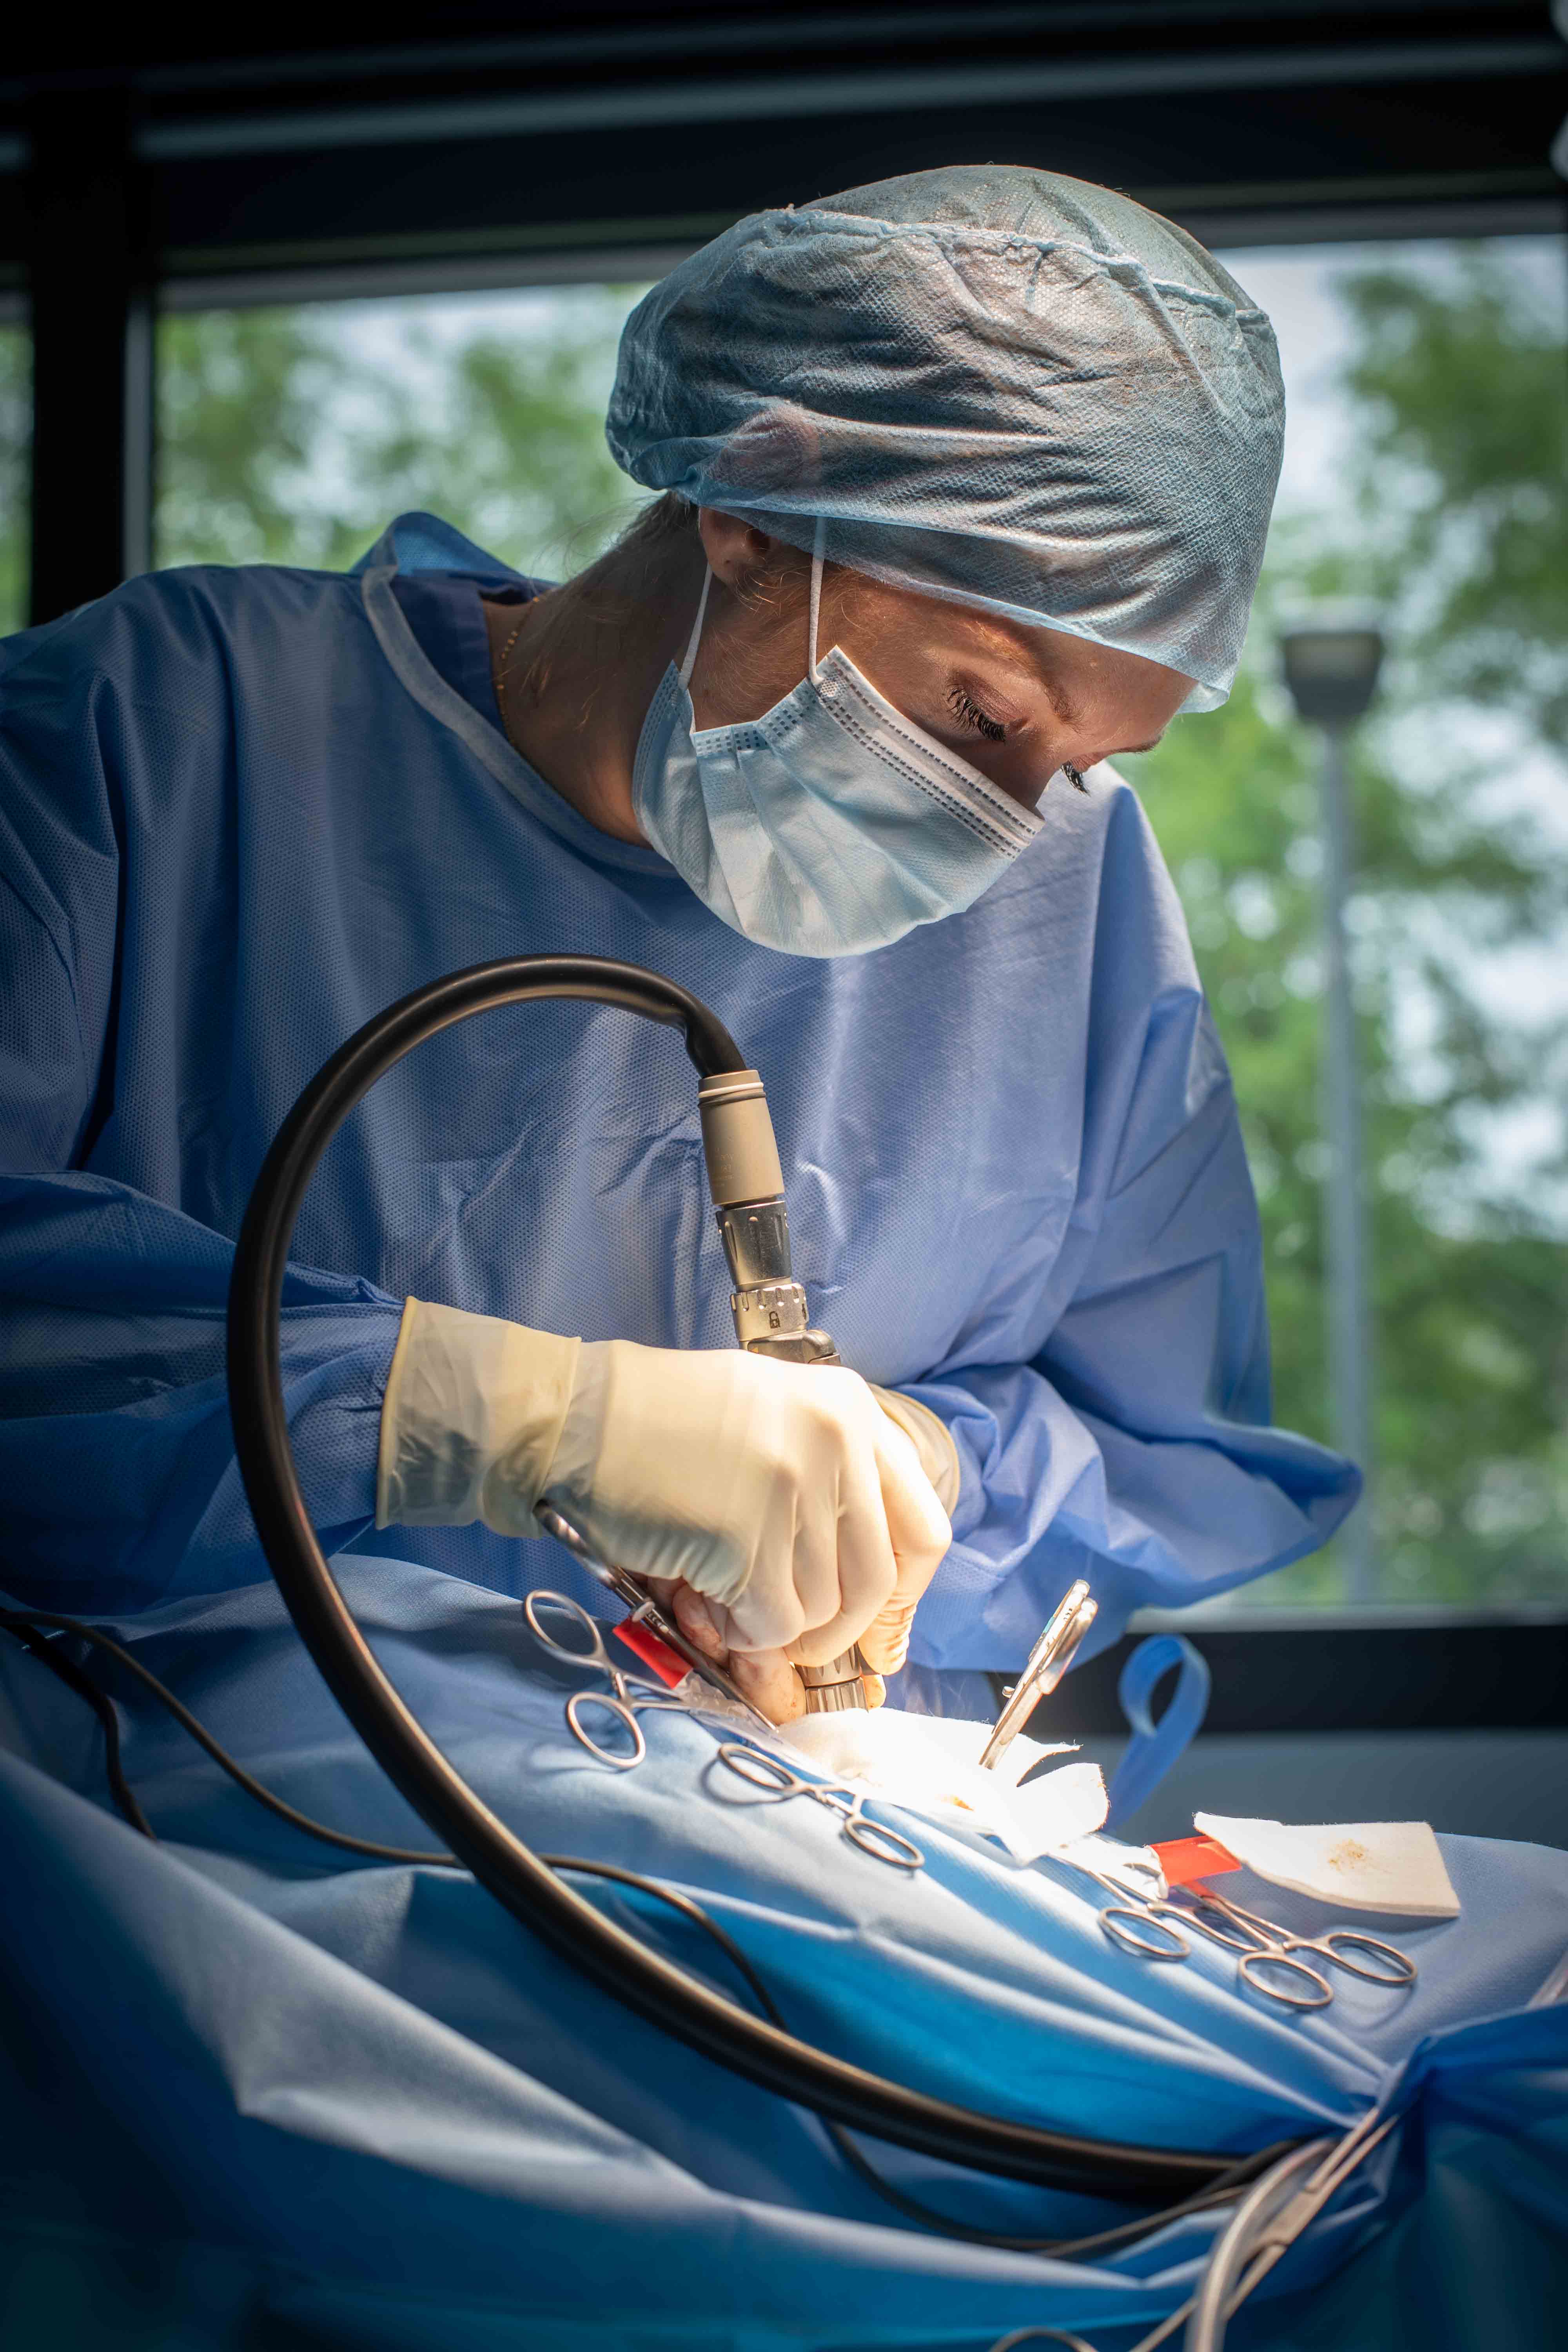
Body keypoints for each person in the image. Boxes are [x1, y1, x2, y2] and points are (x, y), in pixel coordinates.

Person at [0, 165, 1355, 1726]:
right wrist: (491, 1421)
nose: (1007, 830)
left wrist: (921, 1481)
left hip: (774, 1864)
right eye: (983, 712)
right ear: (758, 510)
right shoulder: (167, 732)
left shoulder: (1075, 895)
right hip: (214, 1832)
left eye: (1076, 764)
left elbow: (1162, 1452)